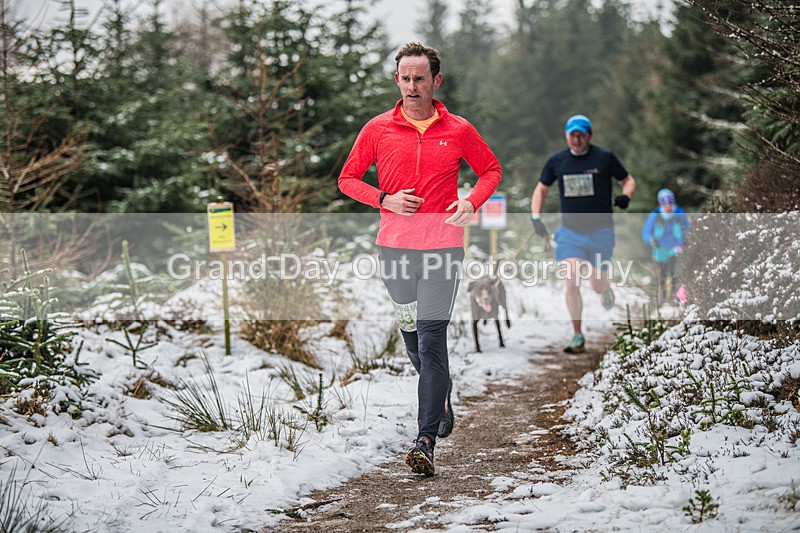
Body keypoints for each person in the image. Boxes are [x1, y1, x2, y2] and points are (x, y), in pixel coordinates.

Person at [338, 42, 502, 476]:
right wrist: (385, 199)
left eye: (420, 78)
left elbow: (491, 170)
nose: (412, 86)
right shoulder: (377, 129)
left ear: (436, 81)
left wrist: (471, 201)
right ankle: (440, 393)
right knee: (412, 341)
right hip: (394, 251)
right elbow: (347, 179)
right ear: (397, 80)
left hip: (442, 249)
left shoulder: (459, 129)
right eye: (405, 78)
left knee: (431, 340)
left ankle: (424, 441)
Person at [530, 114, 636, 353]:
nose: (577, 140)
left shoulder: (604, 157)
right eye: (573, 135)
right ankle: (577, 334)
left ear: (590, 135)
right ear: (566, 136)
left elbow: (628, 180)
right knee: (571, 280)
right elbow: (541, 189)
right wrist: (535, 217)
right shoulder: (557, 161)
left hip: (601, 232)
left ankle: (604, 288)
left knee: (596, 284)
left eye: (581, 135)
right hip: (570, 233)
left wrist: (625, 196)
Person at [641, 188, 690, 301]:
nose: (668, 208)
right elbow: (646, 232)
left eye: (670, 205)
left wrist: (686, 240)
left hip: (676, 248)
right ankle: (662, 297)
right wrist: (651, 240)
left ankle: (674, 296)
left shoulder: (680, 214)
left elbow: (687, 229)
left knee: (674, 273)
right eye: (665, 206)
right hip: (660, 250)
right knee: (661, 275)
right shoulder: (655, 215)